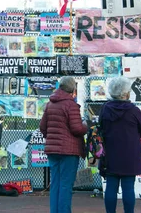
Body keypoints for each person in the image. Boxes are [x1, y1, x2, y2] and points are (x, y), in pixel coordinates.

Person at [39, 76, 87, 213]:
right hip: (69, 152)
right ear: (73, 88)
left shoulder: (50, 104)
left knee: (55, 184)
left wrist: (52, 139)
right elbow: (77, 129)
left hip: (52, 151)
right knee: (66, 185)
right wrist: (86, 126)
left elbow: (42, 127)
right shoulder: (71, 105)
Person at [99, 76, 141, 213]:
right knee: (128, 187)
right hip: (129, 154)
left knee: (111, 187)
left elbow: (100, 127)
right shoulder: (134, 110)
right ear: (126, 93)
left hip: (110, 153)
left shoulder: (105, 109)